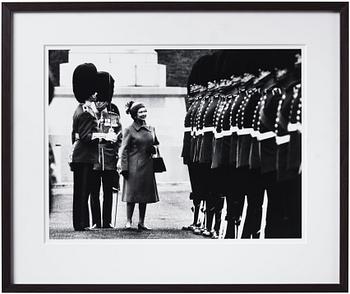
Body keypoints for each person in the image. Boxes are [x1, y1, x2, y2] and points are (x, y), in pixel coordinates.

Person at [120, 101, 160, 231]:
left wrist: (153, 149)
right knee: (131, 195)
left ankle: (141, 222)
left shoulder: (150, 128)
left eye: (145, 111)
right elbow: (124, 150)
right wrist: (124, 167)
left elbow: (155, 143)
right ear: (135, 115)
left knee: (144, 195)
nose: (144, 114)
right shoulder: (129, 130)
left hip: (147, 165)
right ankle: (128, 221)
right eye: (140, 112)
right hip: (133, 166)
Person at [90, 71, 122, 229]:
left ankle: (107, 221)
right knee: (94, 192)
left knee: (109, 192)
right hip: (94, 156)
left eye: (102, 100)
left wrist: (117, 150)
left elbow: (119, 133)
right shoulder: (89, 110)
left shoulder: (113, 110)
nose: (99, 103)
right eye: (98, 100)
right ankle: (96, 221)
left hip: (109, 157)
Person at [70, 63, 99, 231]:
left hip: (80, 155)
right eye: (94, 91)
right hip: (84, 155)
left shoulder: (80, 108)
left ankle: (81, 223)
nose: (96, 94)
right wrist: (104, 137)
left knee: (81, 190)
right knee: (83, 191)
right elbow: (87, 137)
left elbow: (75, 133)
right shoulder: (87, 112)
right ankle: (80, 224)